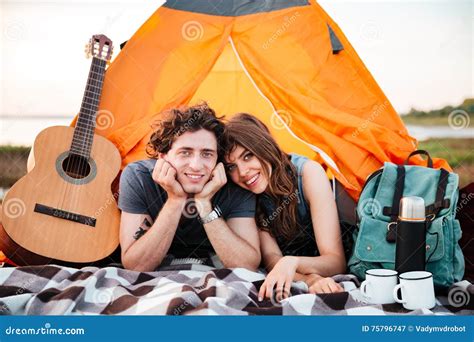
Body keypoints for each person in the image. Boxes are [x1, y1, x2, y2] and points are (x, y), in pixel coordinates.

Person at [118, 104, 261, 272]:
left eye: (207, 154)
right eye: (185, 152)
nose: (196, 165)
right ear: (163, 157)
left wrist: (204, 205)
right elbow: (136, 265)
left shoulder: (234, 182)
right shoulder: (138, 176)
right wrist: (175, 200)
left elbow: (247, 265)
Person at [223, 113, 346, 298]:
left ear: (265, 147)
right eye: (231, 166)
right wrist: (309, 280)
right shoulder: (245, 193)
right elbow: (273, 260)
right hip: (298, 267)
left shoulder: (308, 173)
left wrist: (292, 262)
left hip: (315, 258)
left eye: (247, 156)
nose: (242, 172)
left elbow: (336, 262)